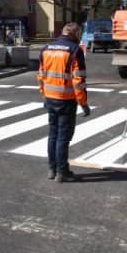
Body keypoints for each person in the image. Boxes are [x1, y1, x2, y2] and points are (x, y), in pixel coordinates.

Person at [37, 22, 90, 183]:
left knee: (53, 134)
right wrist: (83, 103)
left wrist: (44, 96)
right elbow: (78, 81)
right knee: (63, 137)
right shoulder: (75, 51)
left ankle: (52, 169)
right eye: (79, 34)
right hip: (66, 100)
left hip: (50, 98)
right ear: (74, 34)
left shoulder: (46, 49)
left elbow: (41, 76)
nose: (79, 37)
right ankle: (62, 172)